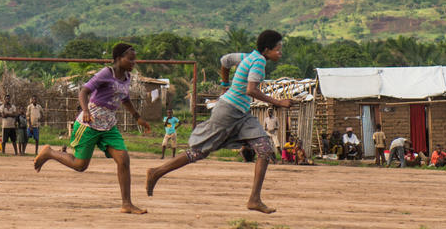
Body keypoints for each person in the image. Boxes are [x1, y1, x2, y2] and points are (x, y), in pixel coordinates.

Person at [145, 31, 291, 214]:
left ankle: (254, 199)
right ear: (267, 49)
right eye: (278, 49)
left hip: (242, 112)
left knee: (264, 148)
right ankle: (156, 172)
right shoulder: (259, 62)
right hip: (229, 111)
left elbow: (224, 61)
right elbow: (251, 90)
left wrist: (224, 85)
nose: (280, 53)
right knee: (199, 152)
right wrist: (279, 102)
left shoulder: (248, 56)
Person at [34, 42, 149, 213]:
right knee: (80, 165)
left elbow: (125, 99)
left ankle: (126, 204)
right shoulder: (106, 73)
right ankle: (49, 152)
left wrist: (137, 117)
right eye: (130, 60)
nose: (134, 63)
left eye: (134, 61)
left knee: (123, 160)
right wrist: (86, 110)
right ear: (118, 59)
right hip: (89, 123)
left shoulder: (127, 77)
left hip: (109, 126)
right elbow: (83, 92)